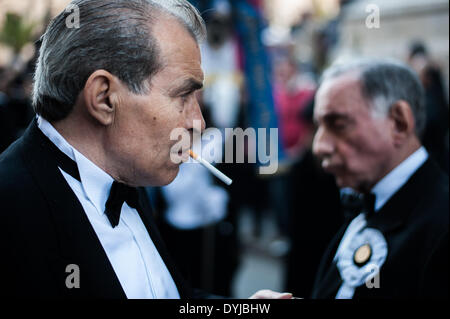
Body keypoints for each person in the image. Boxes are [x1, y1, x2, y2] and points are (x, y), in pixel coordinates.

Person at [0, 0, 290, 299]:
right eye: (183, 95)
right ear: (104, 98)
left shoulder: (126, 173)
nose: (198, 123)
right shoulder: (11, 210)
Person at [310, 59, 448, 298]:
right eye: (319, 127)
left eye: (338, 125)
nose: (319, 146)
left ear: (398, 122)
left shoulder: (441, 224)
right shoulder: (365, 205)